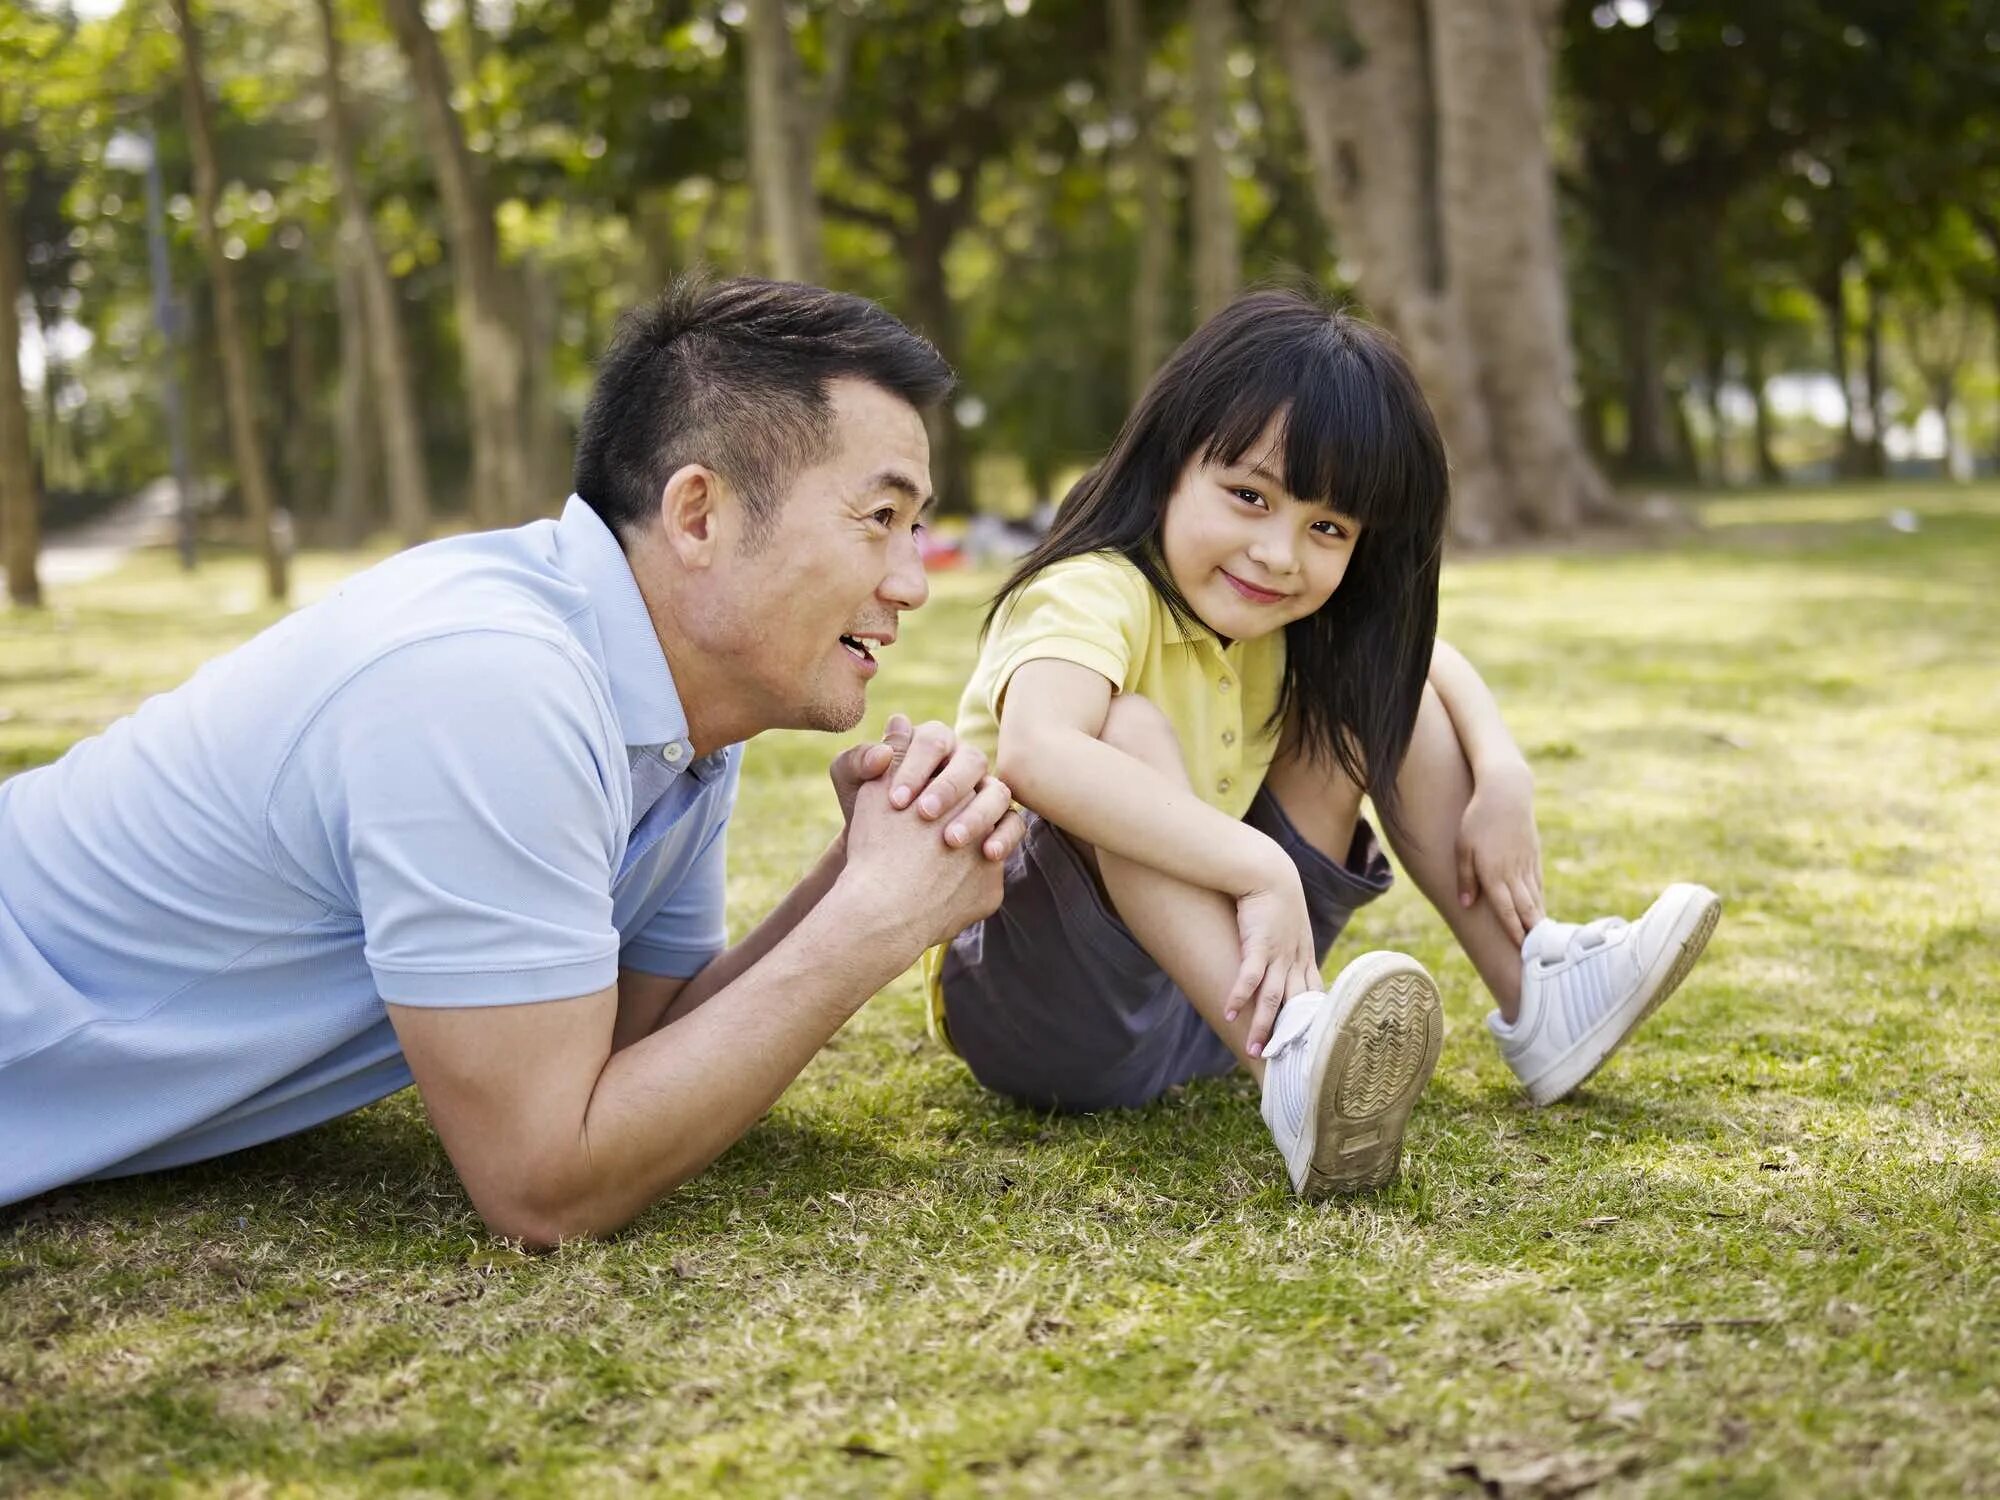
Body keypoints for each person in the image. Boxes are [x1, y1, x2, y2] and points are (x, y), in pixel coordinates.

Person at [0, 276, 1027, 1244]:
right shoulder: (489, 681)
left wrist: (853, 873)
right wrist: (877, 919)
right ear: (699, 515)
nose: (911, 581)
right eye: (879, 519)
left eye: (918, 528)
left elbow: (636, 1055)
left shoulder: (677, 716)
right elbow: (543, 1184)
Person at [926, 289, 1720, 1197]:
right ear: (1169, 463)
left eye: (1327, 528)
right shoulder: (1090, 590)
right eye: (1249, 496)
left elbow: (1428, 664)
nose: (1278, 553)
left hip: (1208, 1010)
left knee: (1377, 690)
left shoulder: (1272, 611)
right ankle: (1296, 1073)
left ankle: (1535, 989)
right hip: (1039, 1015)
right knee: (1126, 725)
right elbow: (1040, 751)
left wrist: (1503, 770)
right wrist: (1258, 867)